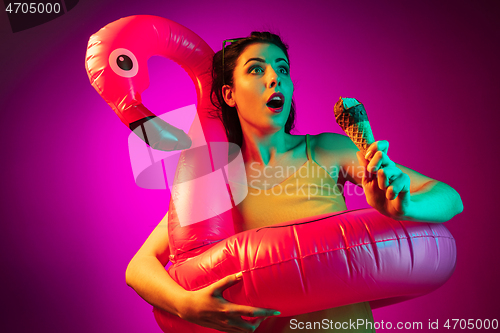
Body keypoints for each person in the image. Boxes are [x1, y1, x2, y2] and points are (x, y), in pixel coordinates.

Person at [125, 32, 463, 333]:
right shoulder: (215, 179)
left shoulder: (326, 150)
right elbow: (139, 266)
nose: (275, 78)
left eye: (282, 69)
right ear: (229, 94)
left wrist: (405, 206)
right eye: (256, 69)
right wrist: (185, 305)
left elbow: (449, 197)